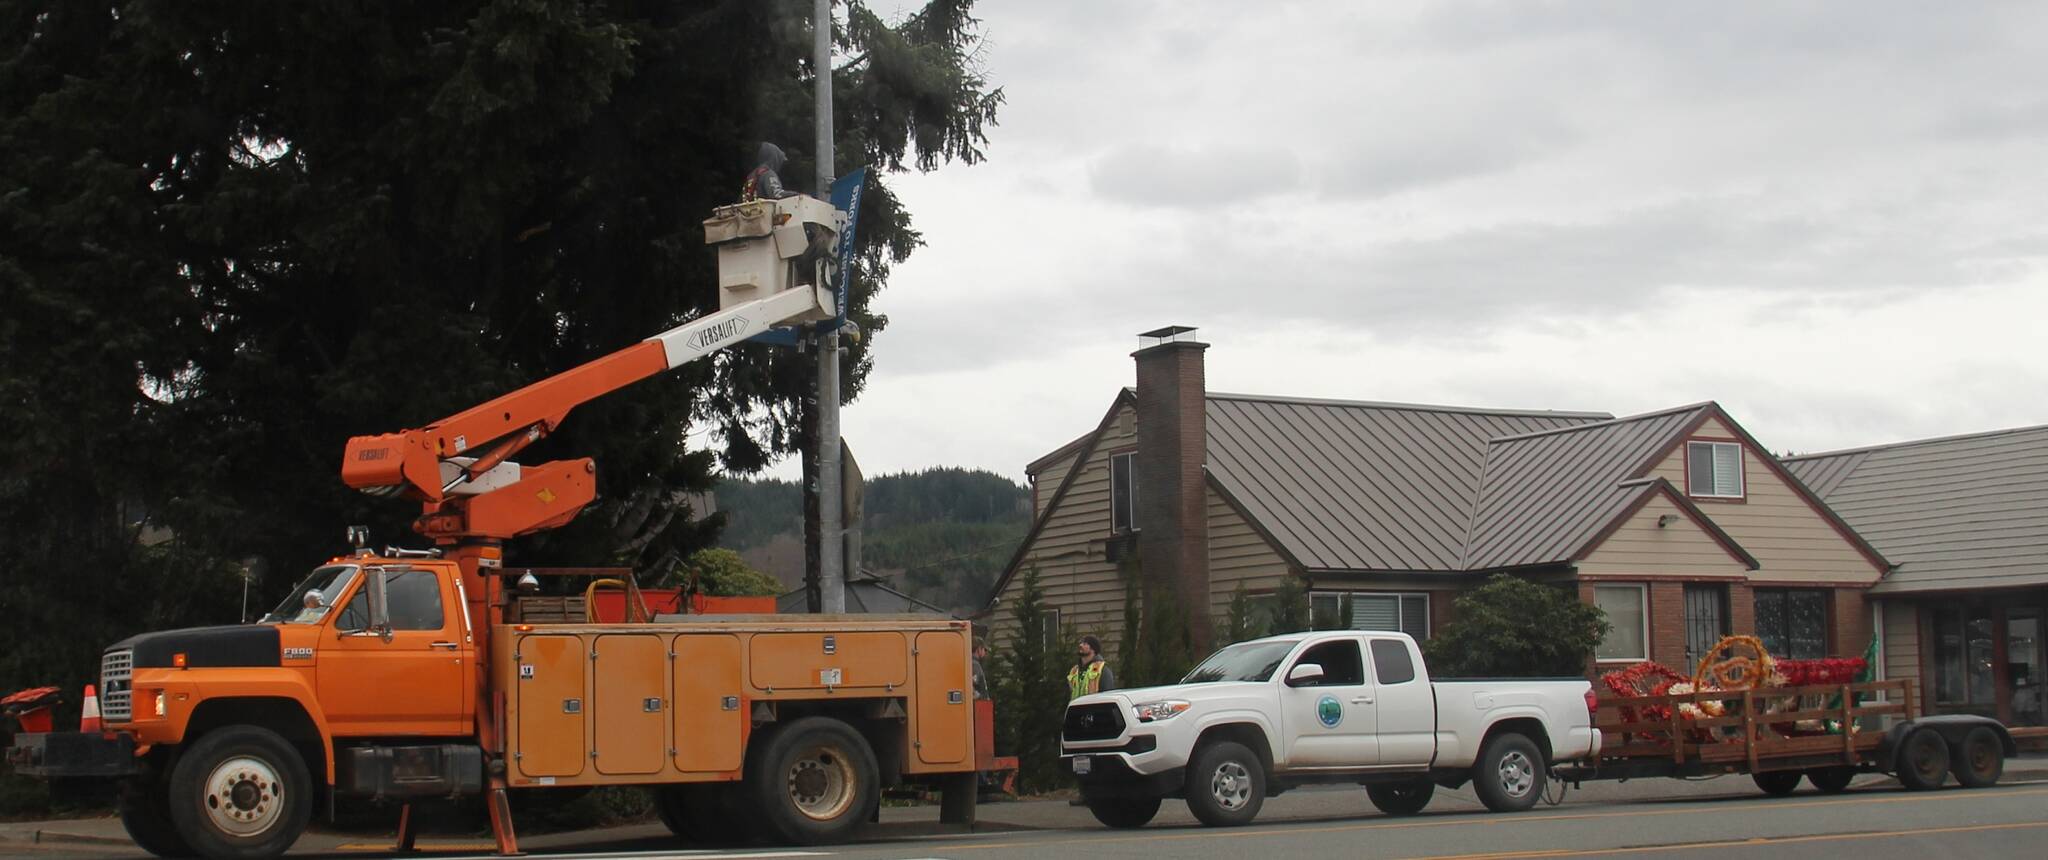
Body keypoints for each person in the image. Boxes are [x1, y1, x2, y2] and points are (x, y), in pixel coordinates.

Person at [1067, 635, 1116, 700]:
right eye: (1081, 643)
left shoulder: (1102, 669)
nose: (1080, 645)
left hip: (1095, 709)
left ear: (1093, 649)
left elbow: (1108, 696)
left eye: (1085, 644)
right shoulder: (1074, 671)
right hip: (1076, 709)